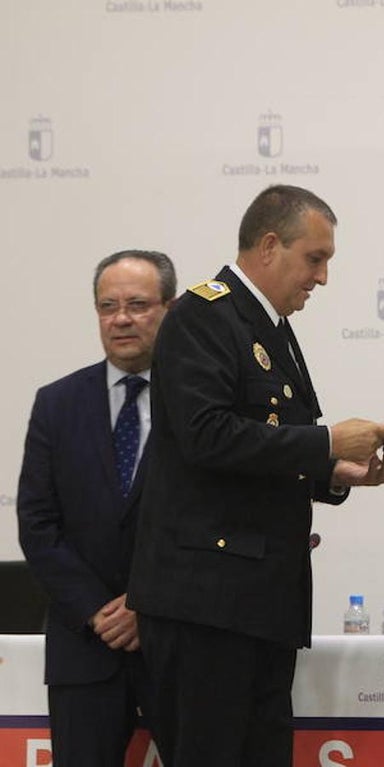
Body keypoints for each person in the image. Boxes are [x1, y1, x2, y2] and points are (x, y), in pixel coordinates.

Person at [126, 185, 384, 766]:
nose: (323, 277)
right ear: (271, 245)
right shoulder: (202, 316)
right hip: (206, 603)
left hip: (259, 603)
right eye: (315, 258)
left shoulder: (268, 325)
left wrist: (335, 473)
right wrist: (326, 441)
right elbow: (207, 437)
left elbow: (267, 450)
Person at [17, 249, 177, 767]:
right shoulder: (56, 404)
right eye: (108, 306)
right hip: (83, 650)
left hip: (177, 647)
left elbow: (210, 523)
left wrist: (145, 603)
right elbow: (38, 525)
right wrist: (98, 611)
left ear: (169, 309)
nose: (122, 319)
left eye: (137, 304)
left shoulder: (203, 404)